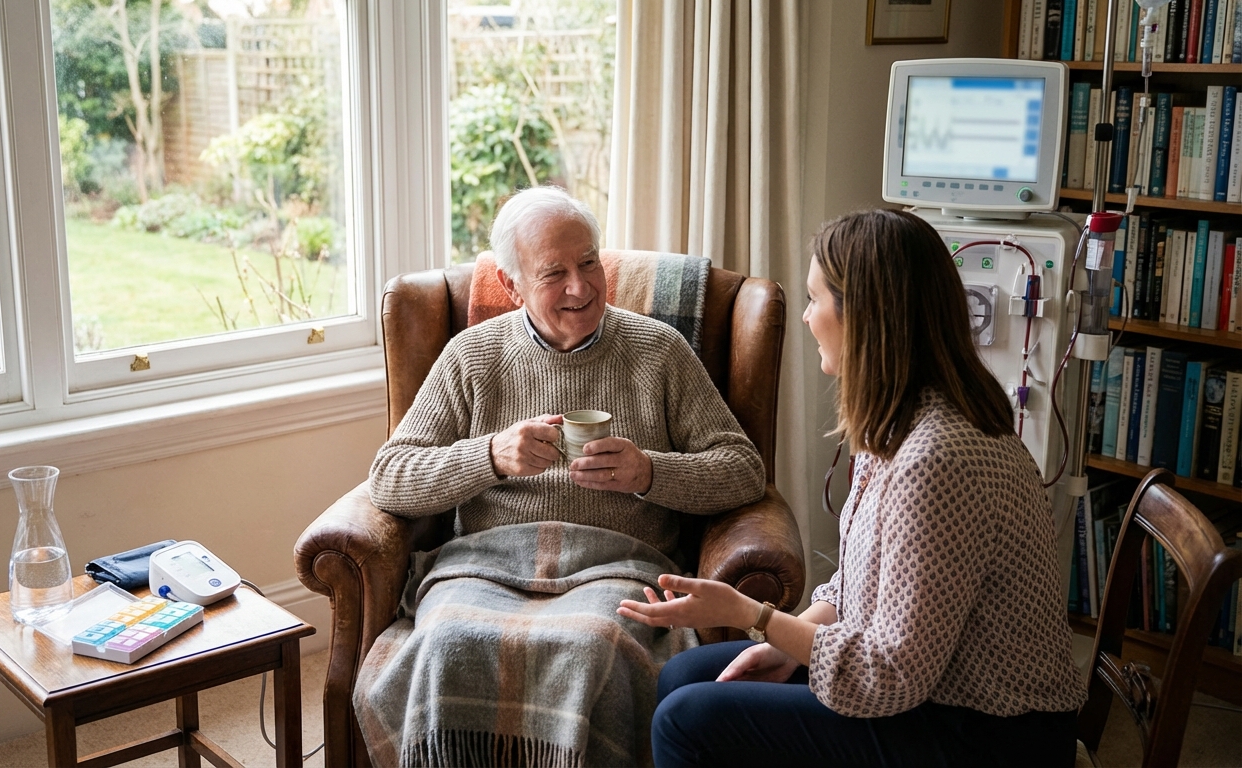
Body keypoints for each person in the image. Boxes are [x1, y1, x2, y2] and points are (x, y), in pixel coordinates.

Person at [618, 209, 1086, 767]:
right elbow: (861, 586)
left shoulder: (937, 458)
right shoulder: (897, 421)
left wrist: (756, 616)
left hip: (988, 733)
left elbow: (888, 676)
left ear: (863, 317)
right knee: (684, 675)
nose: (808, 317)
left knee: (686, 722)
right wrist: (785, 645)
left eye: (817, 300)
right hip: (930, 690)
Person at [354, 185, 766, 767]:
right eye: (554, 273)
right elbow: (390, 476)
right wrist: (491, 456)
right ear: (511, 281)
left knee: (593, 647)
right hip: (486, 564)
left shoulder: (660, 351)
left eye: (590, 262)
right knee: (449, 641)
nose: (581, 286)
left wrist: (649, 472)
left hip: (616, 565)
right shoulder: (472, 355)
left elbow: (743, 470)